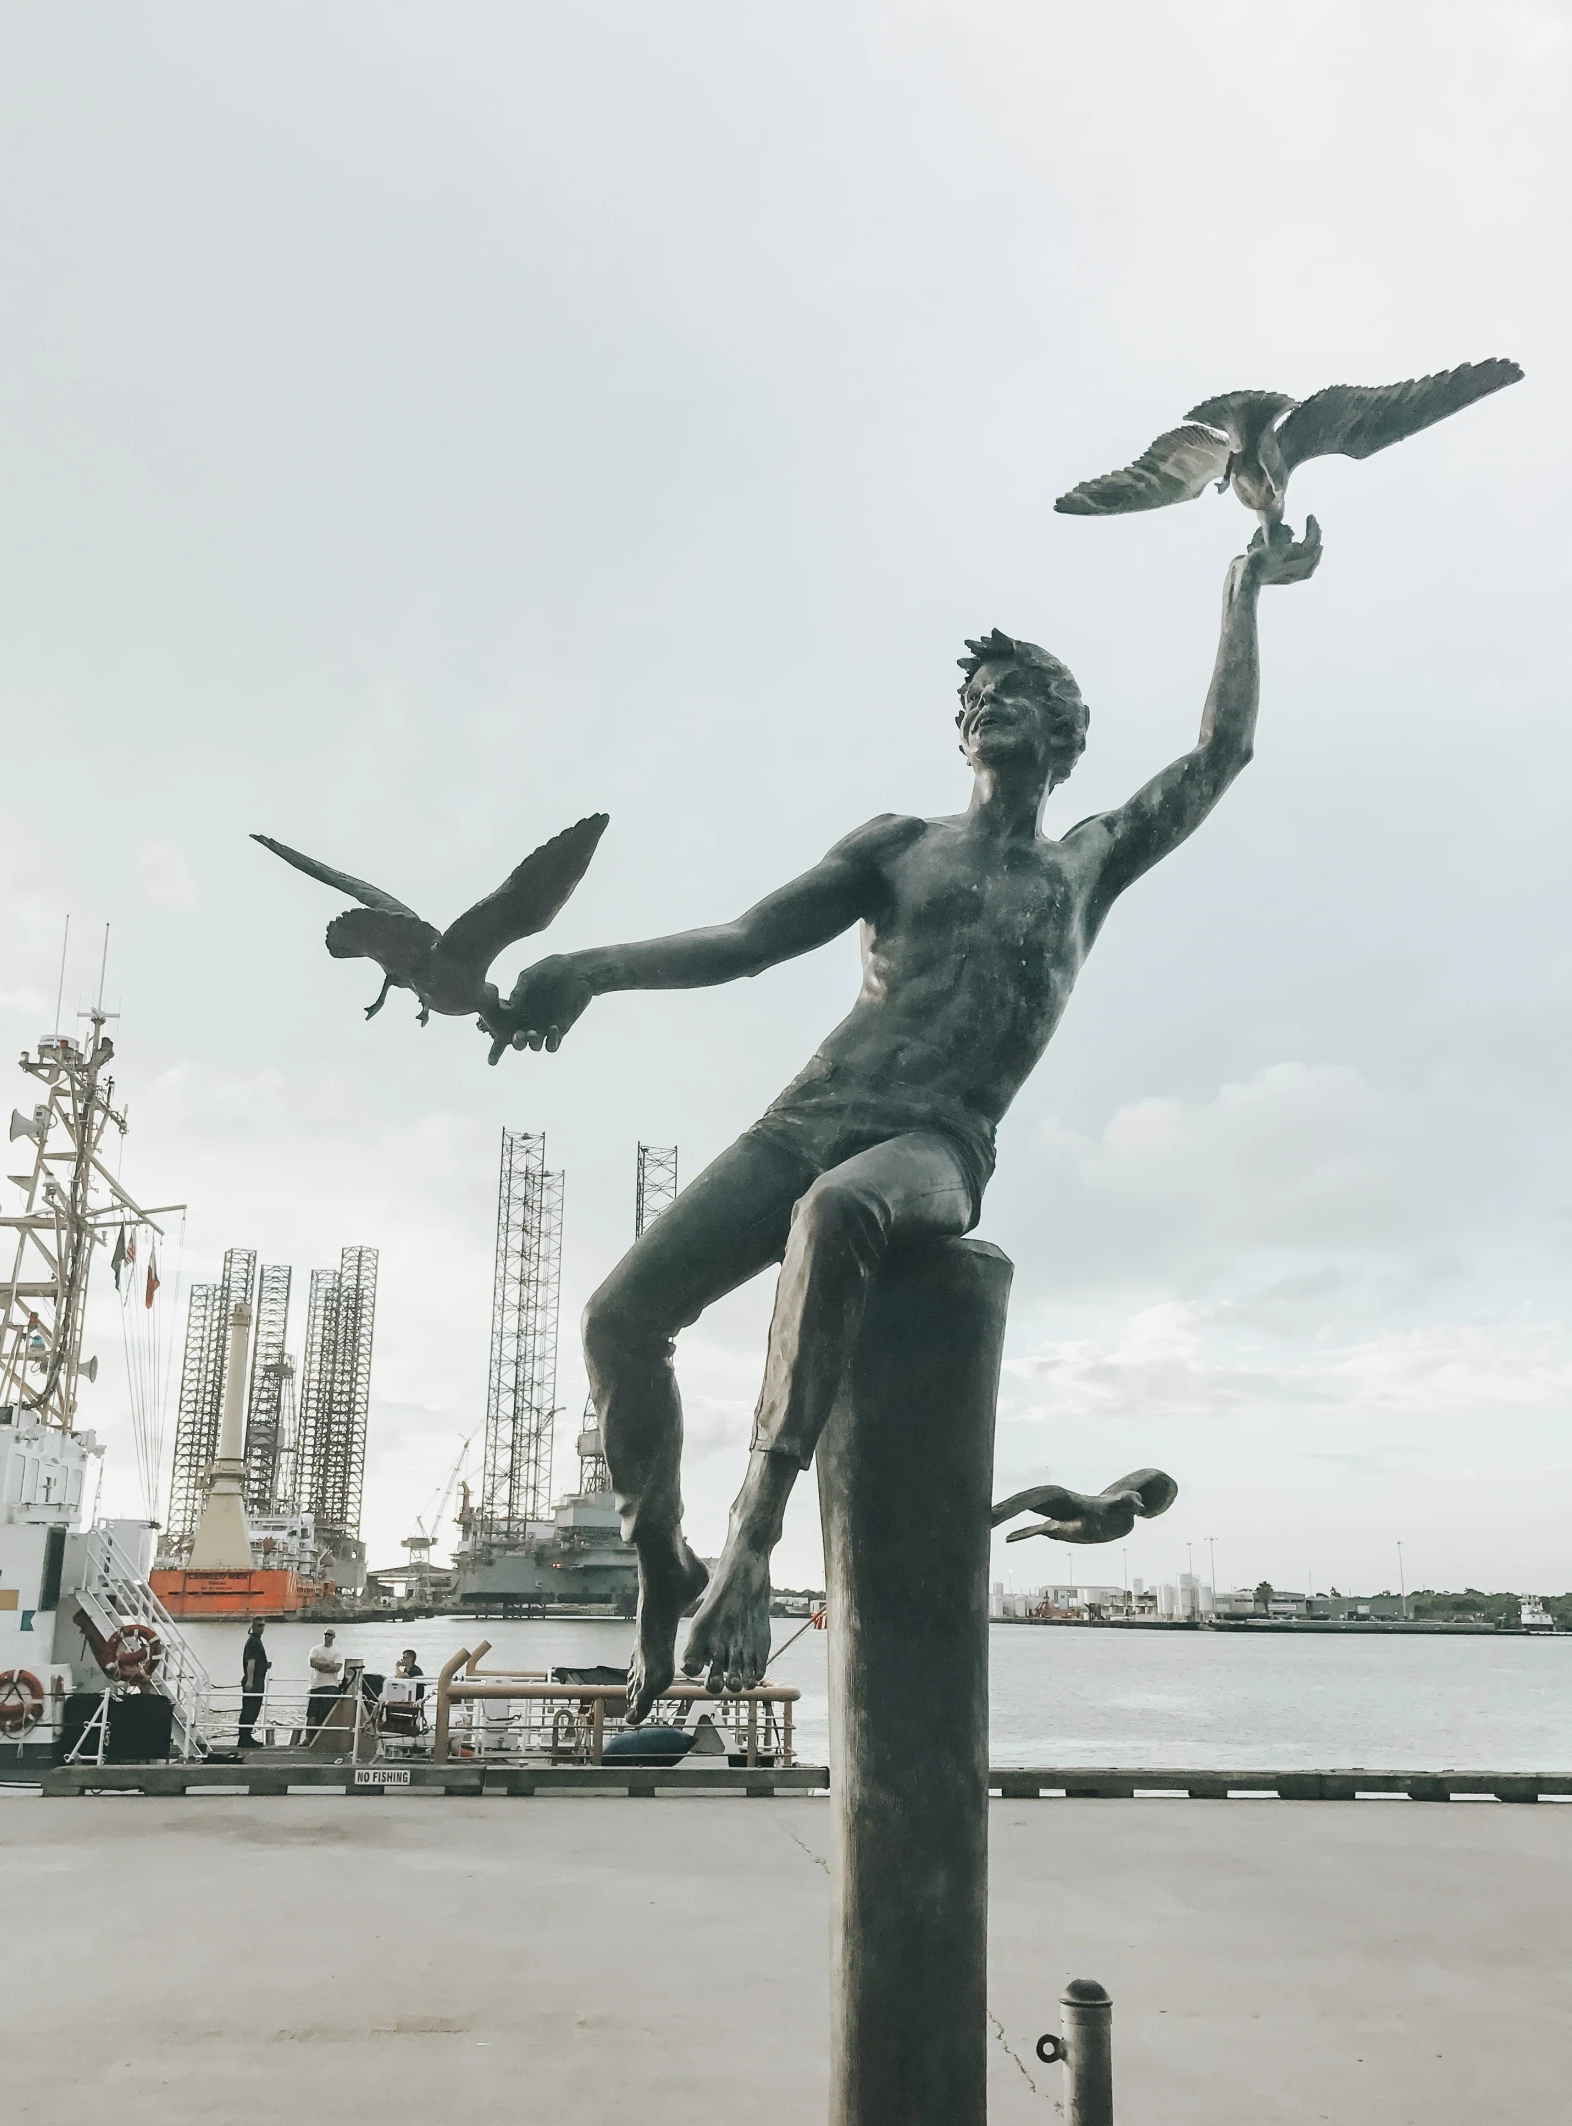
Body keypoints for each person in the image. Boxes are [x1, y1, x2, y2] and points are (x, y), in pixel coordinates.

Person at [493, 522, 1322, 1717]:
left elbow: (1221, 750)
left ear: (1066, 733)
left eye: (1022, 693)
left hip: (936, 1147)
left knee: (839, 1212)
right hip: (808, 1111)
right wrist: (586, 965)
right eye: (980, 694)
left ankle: (751, 1537)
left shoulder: (1084, 866)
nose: (994, 704)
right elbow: (743, 943)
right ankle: (662, 1564)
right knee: (621, 1318)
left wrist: (1245, 584)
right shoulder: (894, 846)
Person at [305, 1628, 342, 1740]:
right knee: (311, 1715)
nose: (327, 1636)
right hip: (315, 1685)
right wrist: (327, 1664)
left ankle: (323, 1739)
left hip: (330, 1685)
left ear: (334, 1637)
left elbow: (336, 1668)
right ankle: (308, 1738)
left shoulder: (337, 1651)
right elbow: (312, 1662)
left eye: (329, 1635)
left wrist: (321, 1665)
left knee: (326, 1714)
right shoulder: (315, 1649)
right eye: (325, 1634)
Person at [238, 1621, 270, 1749]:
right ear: (253, 1626)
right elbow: (251, 1662)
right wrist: (250, 1681)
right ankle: (245, 1738)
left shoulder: (255, 1641)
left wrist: (264, 1665)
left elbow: (255, 1661)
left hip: (257, 1679)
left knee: (251, 1709)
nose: (261, 1628)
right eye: (259, 1625)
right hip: (254, 1681)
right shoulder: (254, 1642)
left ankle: (246, 1737)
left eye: (263, 1625)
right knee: (250, 1709)